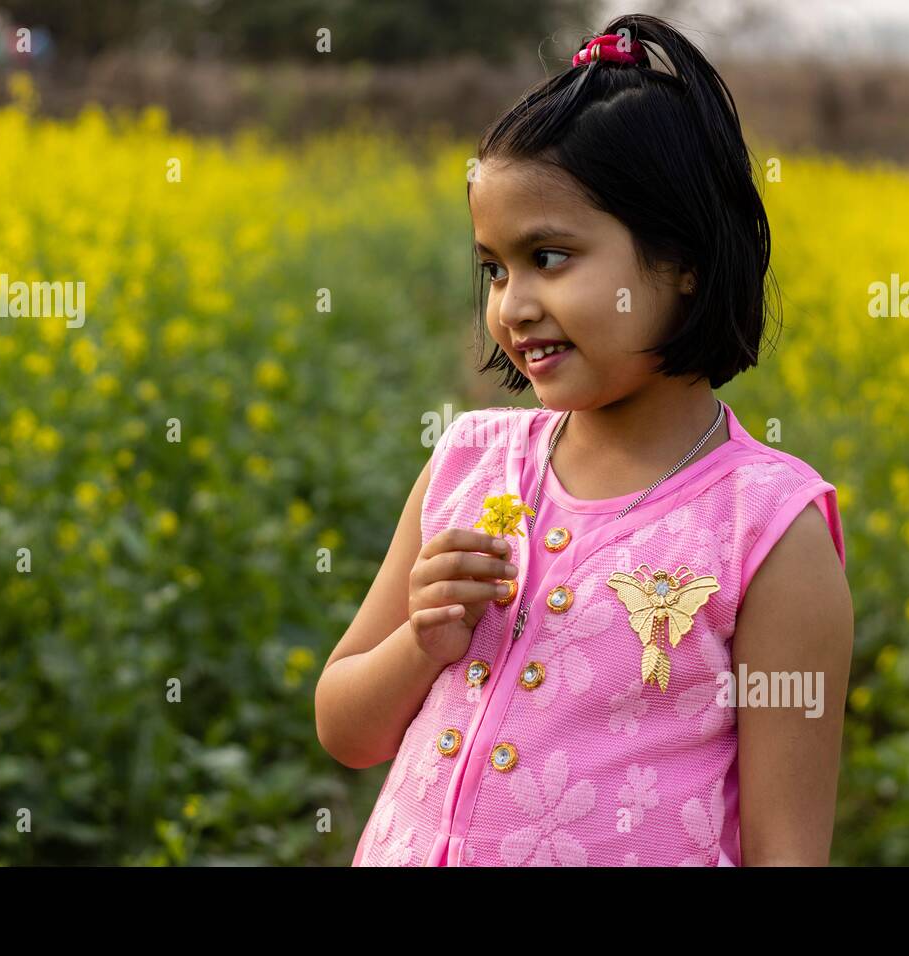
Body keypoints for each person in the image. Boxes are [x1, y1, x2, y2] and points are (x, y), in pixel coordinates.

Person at [317, 13, 853, 866]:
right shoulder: (467, 464)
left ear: (683, 260)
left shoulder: (766, 531)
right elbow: (345, 727)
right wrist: (421, 643)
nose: (512, 304)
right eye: (493, 266)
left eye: (550, 257)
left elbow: (788, 850)